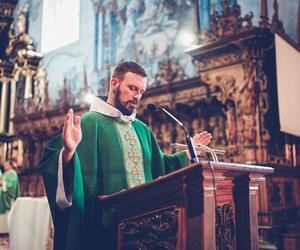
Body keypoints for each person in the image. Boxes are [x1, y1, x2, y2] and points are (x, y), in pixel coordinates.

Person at [39, 61, 212, 250]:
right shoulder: (89, 123)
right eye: (132, 88)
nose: (137, 96)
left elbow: (161, 165)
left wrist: (189, 151)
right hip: (106, 231)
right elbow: (51, 160)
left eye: (141, 91)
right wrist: (68, 153)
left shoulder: (141, 129)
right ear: (114, 84)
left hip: (148, 227)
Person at [0, 161, 20, 233]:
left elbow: (11, 185)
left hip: (7, 196)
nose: (5, 166)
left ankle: (5, 230)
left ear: (10, 165)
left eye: (6, 164)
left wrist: (3, 184)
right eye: (4, 164)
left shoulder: (12, 173)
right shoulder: (5, 173)